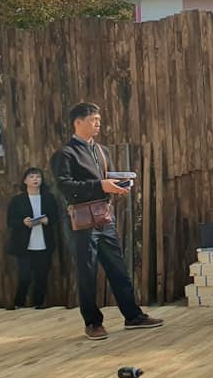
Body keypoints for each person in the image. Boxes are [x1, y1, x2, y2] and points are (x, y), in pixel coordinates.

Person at [50, 102, 163, 340]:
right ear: (78, 122)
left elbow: (107, 179)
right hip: (81, 221)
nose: (98, 124)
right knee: (87, 272)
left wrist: (119, 185)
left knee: (118, 268)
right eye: (93, 120)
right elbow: (65, 187)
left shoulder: (102, 151)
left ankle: (133, 316)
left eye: (99, 120)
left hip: (104, 216)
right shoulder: (65, 154)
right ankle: (92, 323)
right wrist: (101, 185)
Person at [6, 167, 60, 309]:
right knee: (24, 277)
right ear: (25, 181)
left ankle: (38, 304)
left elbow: (55, 217)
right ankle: (18, 304)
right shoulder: (17, 200)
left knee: (42, 277)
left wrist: (48, 220)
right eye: (31, 177)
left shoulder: (48, 198)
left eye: (38, 176)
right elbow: (10, 221)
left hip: (44, 243)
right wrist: (23, 222)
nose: (35, 179)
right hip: (23, 245)